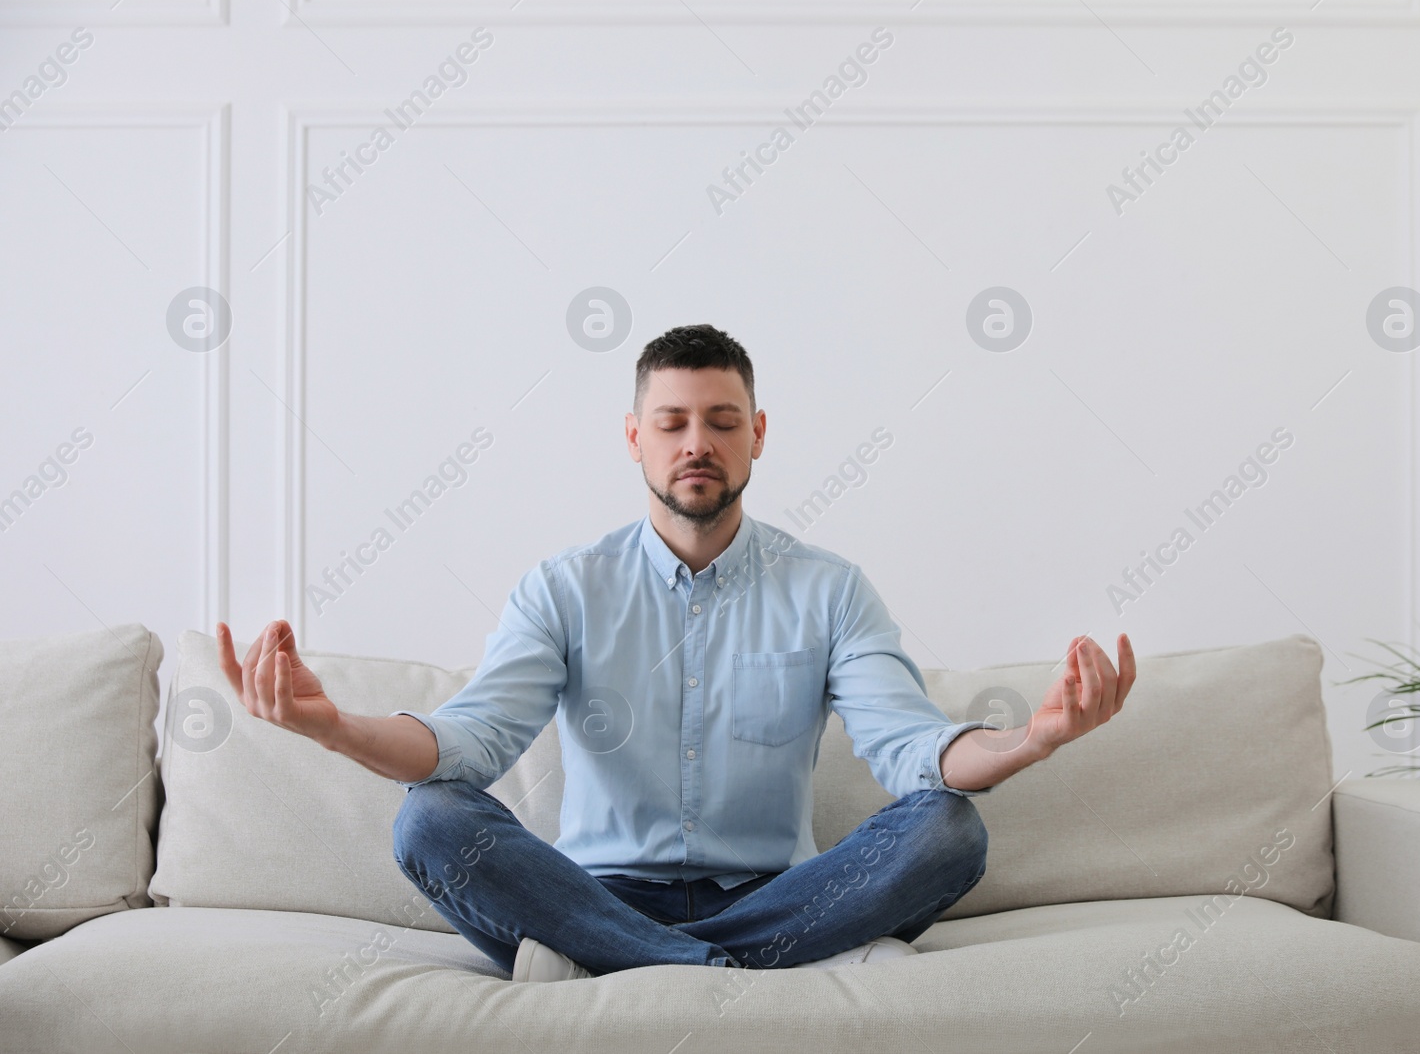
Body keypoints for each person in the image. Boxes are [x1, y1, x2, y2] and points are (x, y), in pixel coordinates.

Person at [214, 324, 1136, 983]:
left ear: (758, 435)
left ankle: (630, 967)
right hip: (586, 893)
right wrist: (330, 726)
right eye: (673, 421)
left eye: (723, 420)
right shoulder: (565, 586)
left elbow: (912, 753)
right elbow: (471, 740)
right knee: (429, 820)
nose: (698, 442)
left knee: (949, 828)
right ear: (635, 438)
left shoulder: (831, 588)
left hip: (778, 891)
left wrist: (1035, 740)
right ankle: (728, 968)